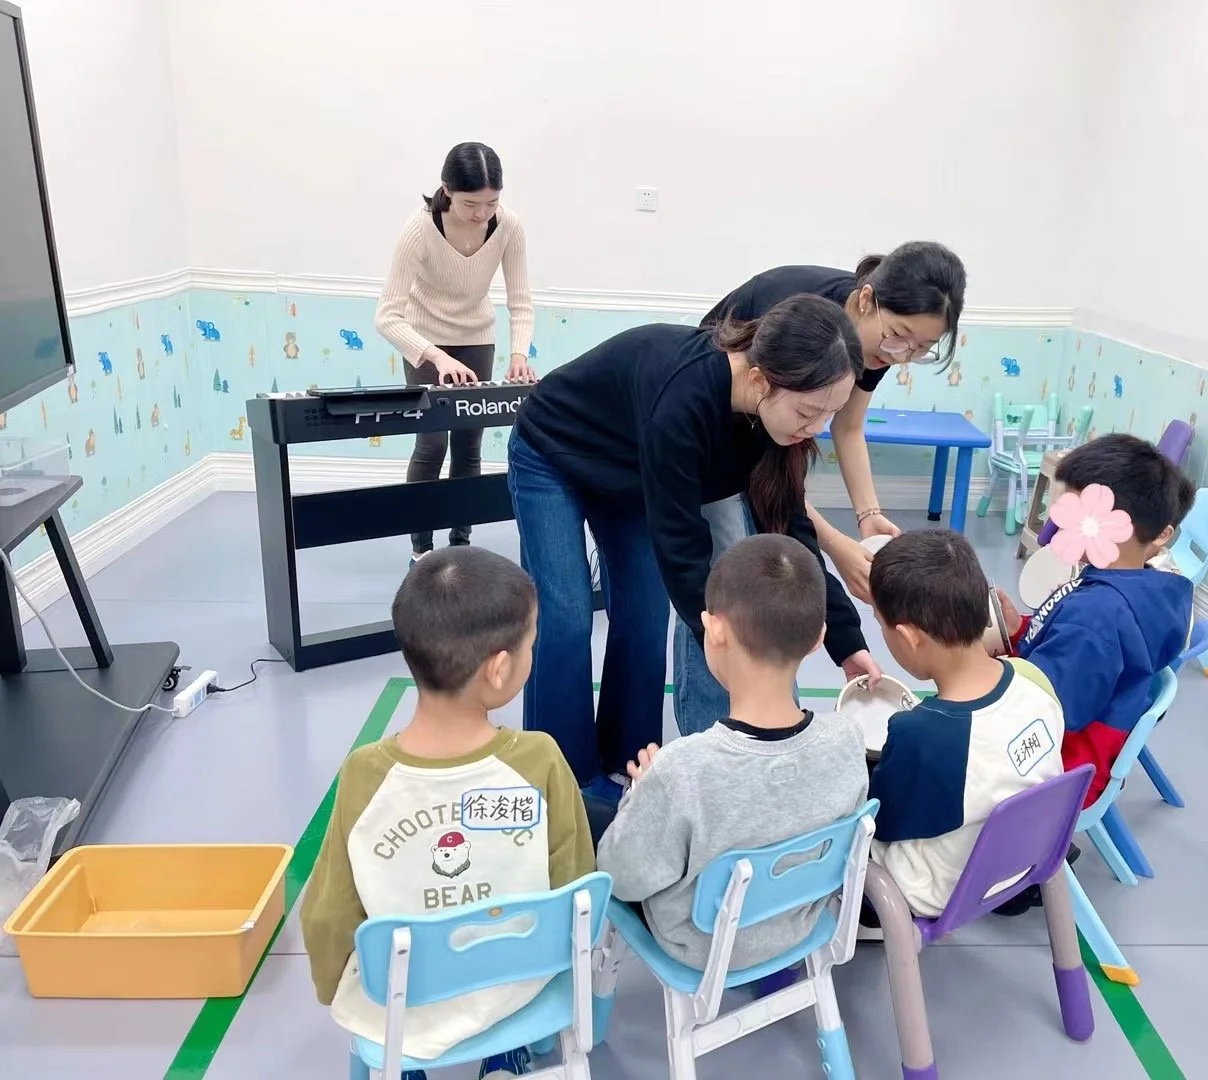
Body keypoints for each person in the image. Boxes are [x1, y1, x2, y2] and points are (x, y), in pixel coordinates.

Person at [507, 294, 881, 811]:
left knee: (644, 611)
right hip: (555, 451)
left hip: (629, 467)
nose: (816, 427)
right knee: (566, 616)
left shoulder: (771, 421)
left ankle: (629, 760)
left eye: (831, 413)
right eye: (809, 411)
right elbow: (683, 551)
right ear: (760, 382)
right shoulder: (682, 403)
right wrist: (726, 641)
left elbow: (791, 527)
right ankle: (565, 778)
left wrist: (845, 639)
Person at [299, 547, 592, 1079]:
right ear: (500, 669)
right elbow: (574, 884)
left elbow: (327, 915)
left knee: (385, 1009)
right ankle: (505, 1052)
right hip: (515, 982)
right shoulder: (540, 759)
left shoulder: (365, 775)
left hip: (401, 997)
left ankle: (405, 1064)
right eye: (531, 644)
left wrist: (334, 988)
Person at [595, 534, 869, 968]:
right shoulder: (848, 741)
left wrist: (641, 794)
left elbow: (622, 877)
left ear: (715, 629)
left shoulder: (680, 769)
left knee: (590, 814)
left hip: (701, 947)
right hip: (798, 922)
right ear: (819, 637)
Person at [699, 243, 968, 606]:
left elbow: (849, 426)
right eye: (900, 335)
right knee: (728, 563)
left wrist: (869, 515)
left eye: (921, 348)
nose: (901, 356)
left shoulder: (881, 342)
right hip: (720, 420)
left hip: (770, 425)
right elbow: (770, 466)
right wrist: (834, 545)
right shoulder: (793, 317)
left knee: (769, 553)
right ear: (866, 300)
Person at [864, 529, 1065, 923]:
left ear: (908, 637)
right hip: (1024, 858)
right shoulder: (1032, 680)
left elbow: (883, 823)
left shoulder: (921, 733)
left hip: (935, 888)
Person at [998, 434, 1197, 810]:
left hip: (1058, 772)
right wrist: (1019, 630)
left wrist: (984, 670)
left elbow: (1048, 708)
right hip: (1087, 755)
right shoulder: (1135, 589)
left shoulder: (1097, 614)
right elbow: (1071, 659)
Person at [375, 141, 536, 568]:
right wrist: (436, 357)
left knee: (470, 445)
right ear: (446, 190)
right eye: (471, 204)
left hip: (476, 339)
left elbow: (520, 300)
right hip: (425, 341)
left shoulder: (509, 226)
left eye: (492, 202)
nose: (482, 214)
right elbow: (387, 317)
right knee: (431, 445)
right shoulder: (419, 229)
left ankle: (460, 543)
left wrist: (518, 354)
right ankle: (421, 550)